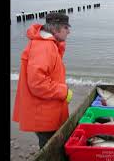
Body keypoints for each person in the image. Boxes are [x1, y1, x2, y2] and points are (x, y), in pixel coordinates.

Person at [13, 13, 73, 149]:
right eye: (66, 27)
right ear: (56, 29)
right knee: (50, 149)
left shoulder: (48, 44)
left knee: (50, 146)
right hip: (44, 115)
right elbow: (37, 84)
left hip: (47, 111)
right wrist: (63, 91)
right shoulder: (44, 47)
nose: (69, 31)